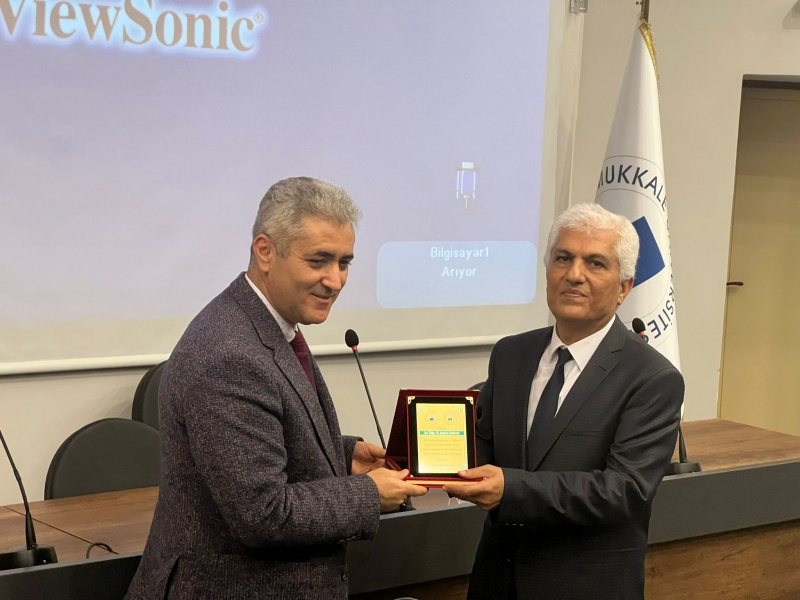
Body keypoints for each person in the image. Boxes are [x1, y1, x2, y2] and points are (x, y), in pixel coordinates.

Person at [127, 177, 426, 600]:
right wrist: (369, 494)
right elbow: (263, 513)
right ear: (265, 251)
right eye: (319, 261)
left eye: (344, 262)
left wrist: (342, 455)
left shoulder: (267, 325)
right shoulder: (229, 353)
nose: (335, 280)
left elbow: (262, 441)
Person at [444, 203, 683, 600]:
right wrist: (420, 456)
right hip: (497, 582)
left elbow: (623, 490)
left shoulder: (652, 378)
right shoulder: (511, 354)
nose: (574, 274)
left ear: (624, 287)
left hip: (585, 587)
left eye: (595, 263)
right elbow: (483, 446)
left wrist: (511, 489)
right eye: (563, 258)